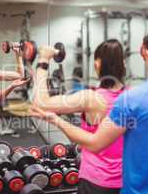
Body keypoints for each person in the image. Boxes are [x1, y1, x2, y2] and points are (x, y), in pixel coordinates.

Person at [30, 29, 148, 194]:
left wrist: (43, 60)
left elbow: (94, 142)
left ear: (145, 53)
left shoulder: (132, 100)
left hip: (116, 185)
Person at [32, 39, 127, 194]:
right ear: (123, 64)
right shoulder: (132, 96)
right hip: (126, 181)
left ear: (97, 64)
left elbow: (41, 102)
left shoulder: (91, 98)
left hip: (96, 182)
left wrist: (43, 60)